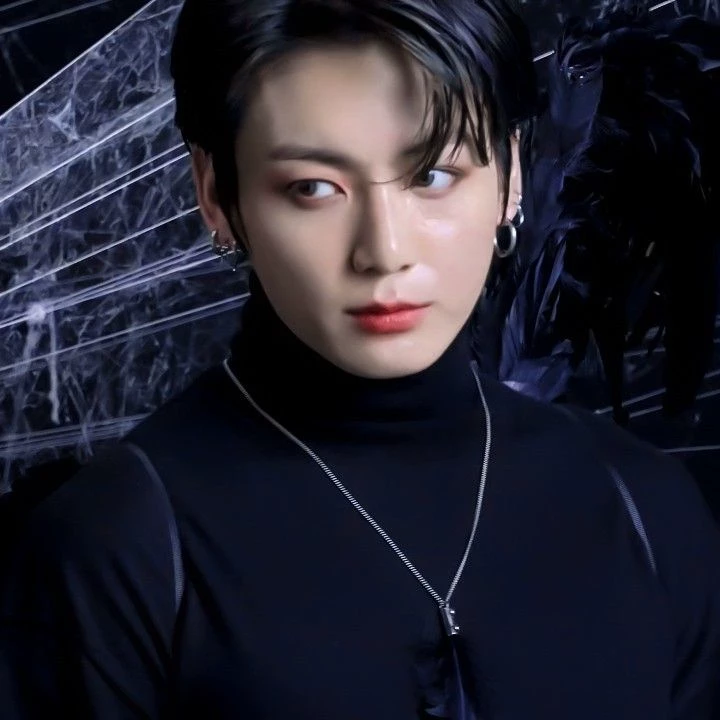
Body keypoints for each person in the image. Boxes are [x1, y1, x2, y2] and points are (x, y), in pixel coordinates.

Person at [1, 0, 719, 717]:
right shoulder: (114, 545)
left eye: (433, 176)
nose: (384, 251)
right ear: (216, 194)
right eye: (313, 188)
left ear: (510, 176)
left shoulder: (644, 508)